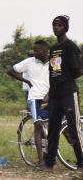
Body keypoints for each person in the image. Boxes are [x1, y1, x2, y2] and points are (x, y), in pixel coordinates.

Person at [42, 15, 83, 171]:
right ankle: (49, 163)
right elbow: (53, 72)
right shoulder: (53, 49)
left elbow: (78, 71)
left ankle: (81, 163)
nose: (55, 27)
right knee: (53, 128)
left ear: (65, 27)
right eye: (54, 25)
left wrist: (65, 80)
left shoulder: (70, 46)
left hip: (68, 93)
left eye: (59, 25)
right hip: (55, 95)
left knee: (74, 128)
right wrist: (49, 93)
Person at [6, 40, 50, 165]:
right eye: (33, 50)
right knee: (38, 125)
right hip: (34, 97)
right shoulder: (29, 62)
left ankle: (49, 156)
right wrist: (26, 80)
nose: (34, 52)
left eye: (37, 50)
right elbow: (10, 70)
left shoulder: (53, 62)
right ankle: (41, 161)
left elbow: (57, 78)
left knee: (53, 125)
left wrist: (50, 94)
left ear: (45, 51)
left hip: (49, 97)